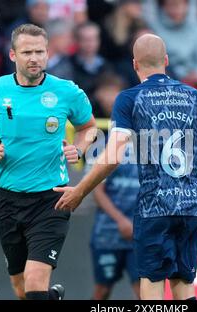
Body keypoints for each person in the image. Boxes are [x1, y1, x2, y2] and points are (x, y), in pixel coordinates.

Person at [53, 34, 197, 300]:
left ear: (135, 65)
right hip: (191, 206)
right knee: (183, 282)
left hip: (154, 207)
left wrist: (80, 191)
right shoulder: (195, 96)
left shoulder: (130, 99)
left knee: (152, 283)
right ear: (165, 61)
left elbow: (112, 156)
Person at [0, 24, 97, 300]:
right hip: (10, 199)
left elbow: (89, 128)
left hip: (52, 198)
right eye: (27, 52)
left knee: (36, 280)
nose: (33, 58)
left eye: (39, 52)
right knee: (21, 287)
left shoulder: (66, 91)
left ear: (47, 54)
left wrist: (80, 149)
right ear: (13, 55)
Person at [88, 73, 140, 299]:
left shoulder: (147, 143)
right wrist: (121, 221)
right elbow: (96, 191)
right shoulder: (101, 143)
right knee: (102, 290)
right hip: (108, 233)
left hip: (140, 232)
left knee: (144, 291)